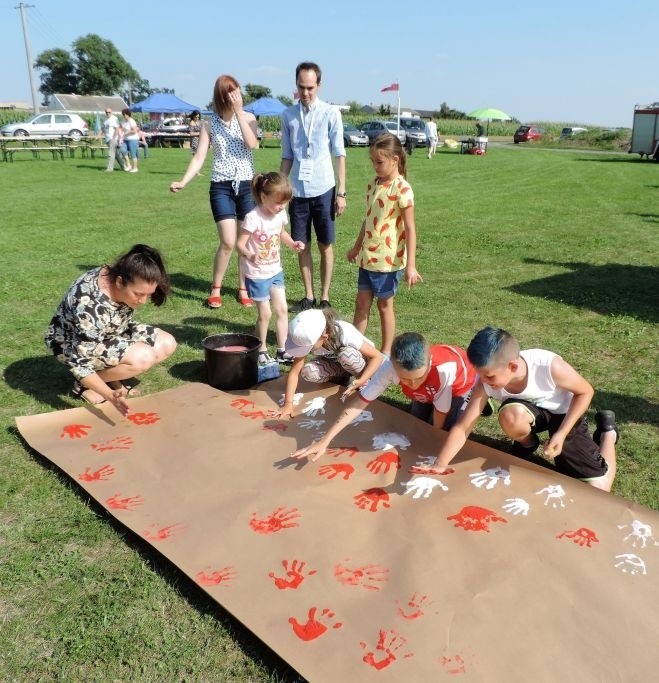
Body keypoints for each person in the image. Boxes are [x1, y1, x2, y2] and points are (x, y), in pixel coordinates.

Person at [417, 326, 619, 492]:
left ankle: (607, 434)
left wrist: (562, 433)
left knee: (599, 486)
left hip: (564, 415)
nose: (483, 381)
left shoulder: (549, 366)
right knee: (510, 414)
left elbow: (585, 392)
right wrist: (440, 464)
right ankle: (527, 444)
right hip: (528, 413)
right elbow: (463, 427)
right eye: (480, 375)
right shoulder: (485, 381)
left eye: (489, 376)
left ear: (512, 367)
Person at [291, 332, 475, 461]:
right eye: (405, 379)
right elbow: (359, 403)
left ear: (429, 364)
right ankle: (425, 397)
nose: (412, 384)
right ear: (394, 368)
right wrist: (325, 440)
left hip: (460, 387)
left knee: (440, 433)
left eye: (418, 377)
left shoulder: (445, 370)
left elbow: (441, 411)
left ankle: (469, 403)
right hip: (430, 390)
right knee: (417, 424)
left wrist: (434, 435)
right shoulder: (388, 369)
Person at [45, 244, 177, 417]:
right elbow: (80, 363)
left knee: (167, 344)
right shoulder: (90, 307)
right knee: (143, 358)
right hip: (69, 344)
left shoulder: (118, 273)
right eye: (138, 294)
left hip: (112, 330)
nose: (143, 301)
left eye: (148, 294)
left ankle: (108, 378)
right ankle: (85, 385)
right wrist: (110, 396)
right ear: (120, 282)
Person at [170, 74, 259, 309]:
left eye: (236, 91)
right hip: (221, 185)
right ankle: (216, 289)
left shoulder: (249, 118)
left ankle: (243, 288)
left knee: (244, 241)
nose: (234, 96)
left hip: (247, 185)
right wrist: (184, 181)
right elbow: (199, 157)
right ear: (221, 97)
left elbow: (253, 144)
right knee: (228, 241)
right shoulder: (209, 124)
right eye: (229, 93)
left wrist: (239, 113)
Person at [346, 133, 422, 355]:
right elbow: (369, 219)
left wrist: (411, 265)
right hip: (368, 257)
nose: (375, 166)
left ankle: (386, 353)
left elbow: (410, 229)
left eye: (379, 162)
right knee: (361, 304)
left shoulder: (402, 189)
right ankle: (355, 349)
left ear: (395, 160)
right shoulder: (372, 185)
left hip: (388, 261)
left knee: (384, 305)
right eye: (373, 162)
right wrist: (357, 247)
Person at [280, 61, 346, 311]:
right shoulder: (288, 116)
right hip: (297, 191)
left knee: (325, 245)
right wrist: (280, 190)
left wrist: (341, 192)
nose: (305, 93)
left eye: (310, 87)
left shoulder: (331, 113)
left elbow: (340, 153)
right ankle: (308, 296)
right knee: (301, 245)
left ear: (319, 85)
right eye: (301, 87)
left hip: (325, 188)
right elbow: (287, 156)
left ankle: (325, 296)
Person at [236, 172, 305, 365]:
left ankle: (283, 350)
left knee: (282, 309)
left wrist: (292, 244)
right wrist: (250, 255)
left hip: (275, 270)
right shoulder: (253, 218)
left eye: (284, 203)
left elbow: (280, 232)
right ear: (263, 197)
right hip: (257, 274)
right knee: (265, 314)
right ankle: (261, 349)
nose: (281, 207)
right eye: (277, 203)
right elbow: (239, 244)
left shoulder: (280, 214)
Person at [277, 307, 384, 420]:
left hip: (363, 363)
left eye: (307, 347)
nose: (305, 350)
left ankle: (365, 383)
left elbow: (377, 357)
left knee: (346, 356)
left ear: (324, 337)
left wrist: (362, 380)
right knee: (309, 371)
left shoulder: (345, 333)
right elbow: (294, 372)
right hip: (339, 364)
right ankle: (341, 378)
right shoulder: (312, 337)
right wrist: (288, 404)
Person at [120, 108, 140, 173]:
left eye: (124, 114)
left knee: (133, 154)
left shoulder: (132, 121)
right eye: (123, 114)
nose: (123, 116)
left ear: (128, 114)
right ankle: (129, 165)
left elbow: (134, 131)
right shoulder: (122, 121)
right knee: (123, 150)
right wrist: (120, 134)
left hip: (133, 139)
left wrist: (127, 132)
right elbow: (120, 128)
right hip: (125, 139)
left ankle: (135, 168)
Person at [102, 107, 122, 172]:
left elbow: (117, 128)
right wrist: (97, 135)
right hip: (107, 138)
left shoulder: (114, 118)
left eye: (109, 112)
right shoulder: (105, 119)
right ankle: (124, 166)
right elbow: (103, 128)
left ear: (111, 112)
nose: (108, 113)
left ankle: (110, 168)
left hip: (112, 139)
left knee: (111, 154)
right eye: (106, 112)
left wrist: (114, 138)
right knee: (115, 154)